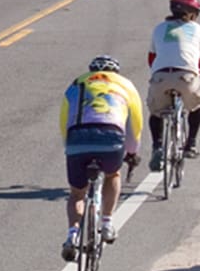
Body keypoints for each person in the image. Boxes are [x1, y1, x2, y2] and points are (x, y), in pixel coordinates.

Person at [61, 55, 144, 259]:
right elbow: (136, 123)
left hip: (77, 137)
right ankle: (107, 223)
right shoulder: (125, 85)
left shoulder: (76, 83)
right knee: (112, 174)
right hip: (111, 136)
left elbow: (64, 120)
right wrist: (132, 152)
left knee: (77, 194)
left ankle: (72, 235)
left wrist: (68, 146)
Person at [146, 0, 200, 171]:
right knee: (198, 104)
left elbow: (152, 58)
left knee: (156, 112)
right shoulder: (199, 30)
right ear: (190, 14)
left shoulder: (159, 28)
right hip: (187, 77)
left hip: (160, 75)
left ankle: (158, 145)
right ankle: (191, 143)